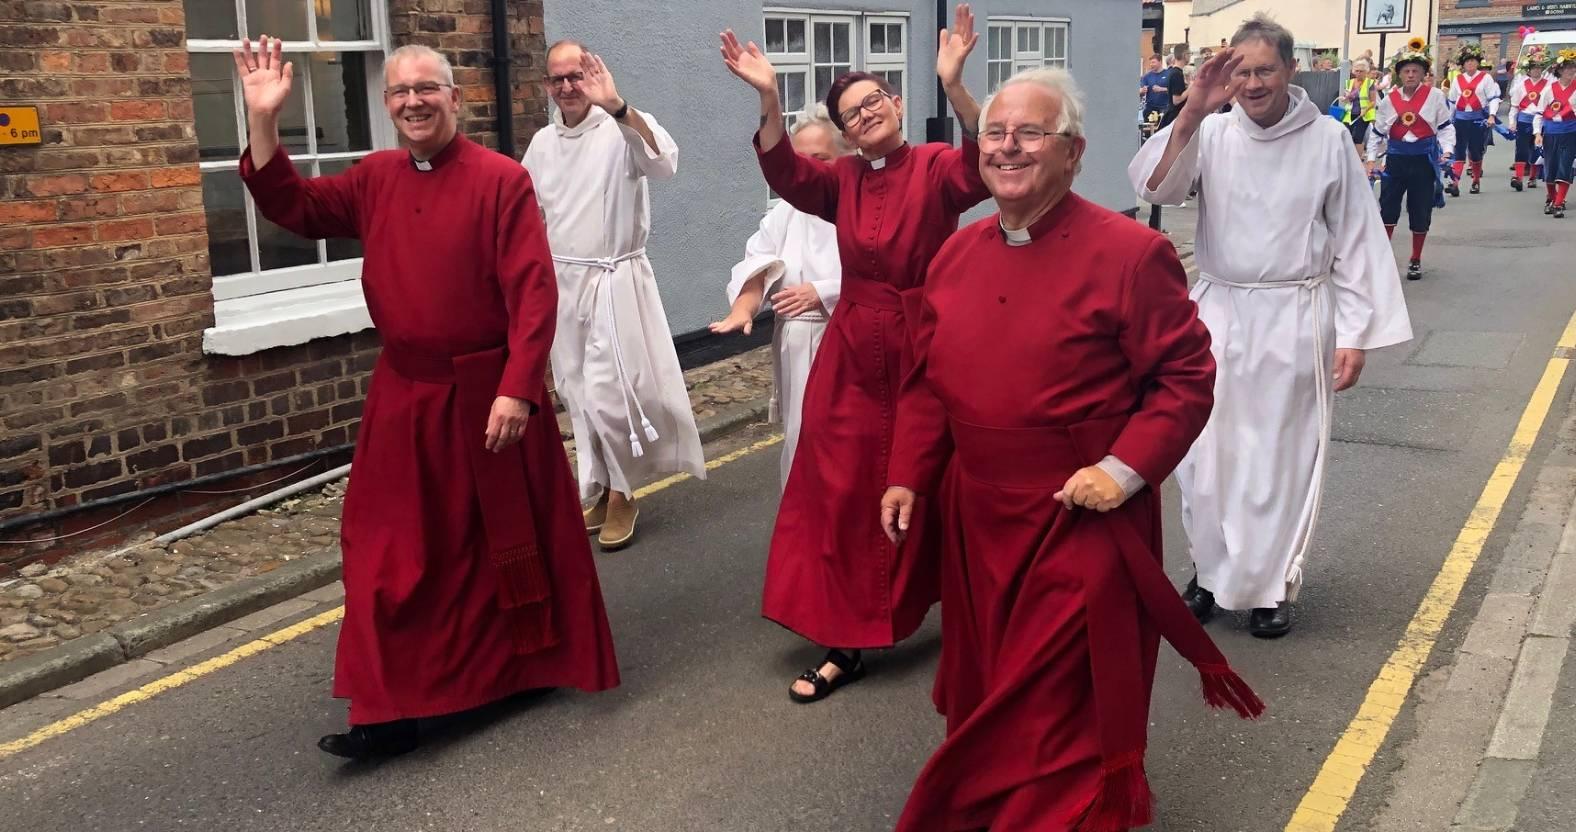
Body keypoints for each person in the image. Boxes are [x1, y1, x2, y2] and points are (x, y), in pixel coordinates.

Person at [882, 67, 1262, 832]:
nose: (1008, 147)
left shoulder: (1129, 252)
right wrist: (908, 475)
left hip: (1079, 513)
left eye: (1031, 132)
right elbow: (928, 381)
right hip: (977, 519)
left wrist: (1122, 472)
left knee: (1057, 696)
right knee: (994, 683)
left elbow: (1185, 378)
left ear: (1073, 152)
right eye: (995, 132)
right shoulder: (954, 256)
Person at [233, 39, 619, 757]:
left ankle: (524, 668)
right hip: (405, 397)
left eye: (427, 90)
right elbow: (293, 204)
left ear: (454, 97)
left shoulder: (501, 180)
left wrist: (518, 389)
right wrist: (263, 121)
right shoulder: (374, 177)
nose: (413, 102)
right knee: (385, 552)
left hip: (487, 397)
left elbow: (534, 293)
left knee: (499, 547)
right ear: (387, 105)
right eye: (399, 92)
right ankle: (388, 704)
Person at [719, 3, 992, 703]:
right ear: (842, 133)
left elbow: (984, 162)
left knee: (936, 486)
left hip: (925, 352)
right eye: (852, 113)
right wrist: (770, 98)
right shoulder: (839, 181)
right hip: (849, 357)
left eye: (873, 101)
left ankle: (961, 609)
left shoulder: (934, 166)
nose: (866, 115)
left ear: (895, 103)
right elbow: (785, 174)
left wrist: (956, 83)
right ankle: (848, 635)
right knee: (838, 490)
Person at [1131, 15, 1413, 638]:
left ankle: (1269, 584)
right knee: (1203, 454)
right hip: (1220, 309)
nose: (1253, 83)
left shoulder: (1328, 141)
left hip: (1295, 311)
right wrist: (1192, 113)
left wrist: (1356, 333)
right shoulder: (1215, 132)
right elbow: (1158, 188)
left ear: (1290, 71)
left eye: (1265, 70)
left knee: (1276, 456)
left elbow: (1359, 239)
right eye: (1243, 72)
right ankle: (1209, 571)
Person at [523, 41, 705, 552]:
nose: (567, 87)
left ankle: (625, 491)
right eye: (557, 79)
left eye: (576, 76)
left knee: (615, 392)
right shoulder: (541, 144)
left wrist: (621, 106)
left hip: (614, 280)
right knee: (578, 392)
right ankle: (602, 486)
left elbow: (665, 162)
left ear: (594, 75)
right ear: (547, 87)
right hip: (564, 285)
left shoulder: (620, 127)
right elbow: (529, 212)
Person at [710, 106, 848, 489]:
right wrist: (743, 308)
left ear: (847, 158)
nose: (808, 171)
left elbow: (888, 272)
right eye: (799, 161)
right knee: (801, 439)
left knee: (843, 445)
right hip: (796, 344)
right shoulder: (785, 213)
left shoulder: (862, 207)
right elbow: (759, 263)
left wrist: (822, 292)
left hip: (846, 340)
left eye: (820, 159)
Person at [1367, 44, 1455, 279]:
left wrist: (1447, 152)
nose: (1410, 75)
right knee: (1388, 209)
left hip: (1423, 160)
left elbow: (1446, 128)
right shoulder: (1388, 100)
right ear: (1399, 73)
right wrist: (1370, 160)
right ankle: (1383, 261)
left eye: (1415, 71)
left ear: (1423, 74)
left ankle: (1415, 259)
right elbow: (1377, 133)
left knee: (1420, 210)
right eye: (1406, 71)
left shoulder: (1435, 97)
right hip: (1395, 160)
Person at [1446, 44, 1501, 195]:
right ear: (1463, 64)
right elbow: (1451, 101)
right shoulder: (1457, 79)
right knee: (1458, 151)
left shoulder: (1486, 78)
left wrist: (1491, 115)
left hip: (1477, 120)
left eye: (1473, 60)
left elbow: (1493, 98)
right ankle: (1455, 183)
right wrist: (1449, 121)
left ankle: (1476, 180)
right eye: (1467, 61)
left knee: (1476, 152)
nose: (1470, 63)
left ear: (1478, 63)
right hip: (1460, 120)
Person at [1149, 45, 1192, 230]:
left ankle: (1172, 193)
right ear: (1183, 55)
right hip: (1174, 118)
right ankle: (1167, 194)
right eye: (1189, 53)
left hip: (1175, 118)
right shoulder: (1175, 74)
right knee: (1172, 157)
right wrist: (1193, 88)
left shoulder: (1175, 74)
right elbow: (1176, 99)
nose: (1190, 56)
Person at [1533, 49, 1576, 218]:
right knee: (1550, 168)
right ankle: (1551, 199)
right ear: (1559, 70)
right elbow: (1539, 113)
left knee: (1565, 166)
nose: (1571, 71)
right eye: (1567, 68)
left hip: (1571, 132)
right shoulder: (1549, 90)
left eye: (1573, 67)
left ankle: (1558, 203)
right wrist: (1538, 133)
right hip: (1551, 133)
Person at [1509, 46, 1552, 192]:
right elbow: (1514, 106)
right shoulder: (1521, 85)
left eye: (1539, 68)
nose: (1536, 70)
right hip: (1524, 120)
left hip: (1540, 121)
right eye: (1534, 68)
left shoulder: (1548, 86)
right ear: (1528, 69)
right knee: (1521, 149)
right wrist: (1512, 122)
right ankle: (1519, 178)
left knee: (1537, 149)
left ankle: (1533, 177)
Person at [1342, 59, 1380, 159]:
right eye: (1356, 71)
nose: (1358, 73)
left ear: (1366, 71)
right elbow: (1347, 98)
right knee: (1347, 136)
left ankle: (1357, 160)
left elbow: (1373, 101)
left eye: (1361, 71)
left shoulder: (1369, 83)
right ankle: (1348, 158)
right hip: (1349, 113)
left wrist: (1365, 110)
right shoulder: (1349, 82)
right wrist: (1345, 98)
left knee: (1358, 137)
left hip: (1363, 114)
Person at [1141, 54, 1171, 125]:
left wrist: (1162, 89)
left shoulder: (1169, 74)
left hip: (1165, 108)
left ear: (1160, 62)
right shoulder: (1147, 76)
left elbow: (1175, 90)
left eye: (1153, 62)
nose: (1151, 64)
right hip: (1150, 109)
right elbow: (1141, 92)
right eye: (1150, 63)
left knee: (1162, 132)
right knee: (1149, 132)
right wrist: (1142, 91)